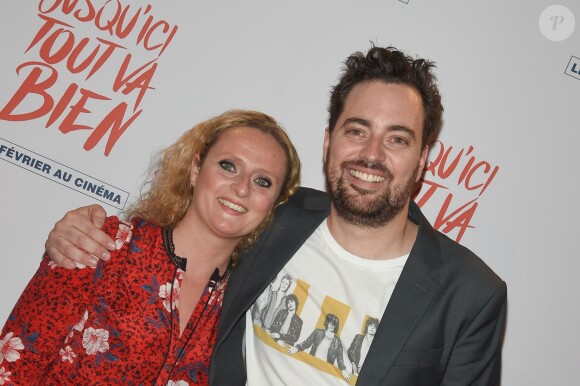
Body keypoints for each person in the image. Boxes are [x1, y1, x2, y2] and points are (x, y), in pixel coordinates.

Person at [41, 45, 507, 385]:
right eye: (357, 130)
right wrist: (81, 231)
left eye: (397, 139)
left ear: (424, 157)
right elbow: (178, 242)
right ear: (328, 141)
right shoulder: (274, 214)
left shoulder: (469, 295)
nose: (371, 154)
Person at [0, 110, 301, 385]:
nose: (242, 188)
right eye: (228, 166)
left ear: (274, 203)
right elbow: (15, 365)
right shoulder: (101, 244)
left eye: (263, 181)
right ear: (196, 169)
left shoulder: (248, 312)